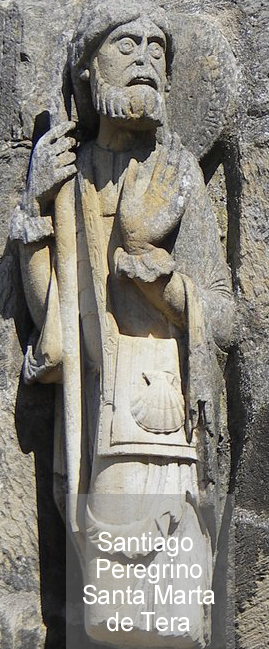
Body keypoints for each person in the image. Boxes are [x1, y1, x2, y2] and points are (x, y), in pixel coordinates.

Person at [10, 1, 234, 646]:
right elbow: (52, 332)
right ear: (87, 69)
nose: (145, 60)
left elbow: (224, 318)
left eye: (156, 49)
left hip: (164, 423)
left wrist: (155, 272)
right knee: (115, 623)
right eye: (126, 45)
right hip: (93, 431)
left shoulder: (176, 174)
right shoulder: (72, 180)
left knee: (162, 625)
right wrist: (34, 220)